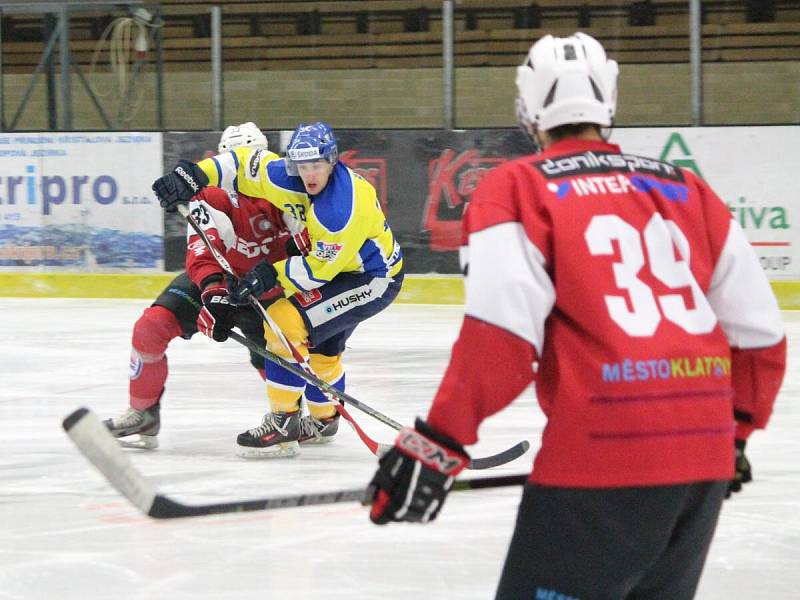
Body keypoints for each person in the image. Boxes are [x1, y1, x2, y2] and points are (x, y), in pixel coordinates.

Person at [365, 32, 787, 600]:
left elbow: (501, 339)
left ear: (527, 106)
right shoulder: (686, 186)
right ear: (608, 101)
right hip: (702, 454)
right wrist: (734, 433)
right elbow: (760, 334)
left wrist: (440, 441)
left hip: (599, 457)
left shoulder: (514, 188)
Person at [152, 121, 404, 458]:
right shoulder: (284, 177)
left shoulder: (340, 209)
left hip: (370, 279)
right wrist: (193, 175)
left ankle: (284, 422)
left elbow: (317, 269)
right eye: (302, 166)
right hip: (341, 272)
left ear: (332, 161)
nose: (309, 174)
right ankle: (324, 420)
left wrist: (268, 275)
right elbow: (240, 162)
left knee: (282, 321)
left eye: (316, 165)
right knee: (324, 349)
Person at [104, 122, 304, 449]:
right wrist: (214, 292)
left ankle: (293, 414)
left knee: (275, 357)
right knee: (149, 328)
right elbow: (201, 250)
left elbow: (307, 248)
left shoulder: (288, 191)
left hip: (270, 289)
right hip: (220, 282)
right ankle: (144, 412)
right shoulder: (207, 196)